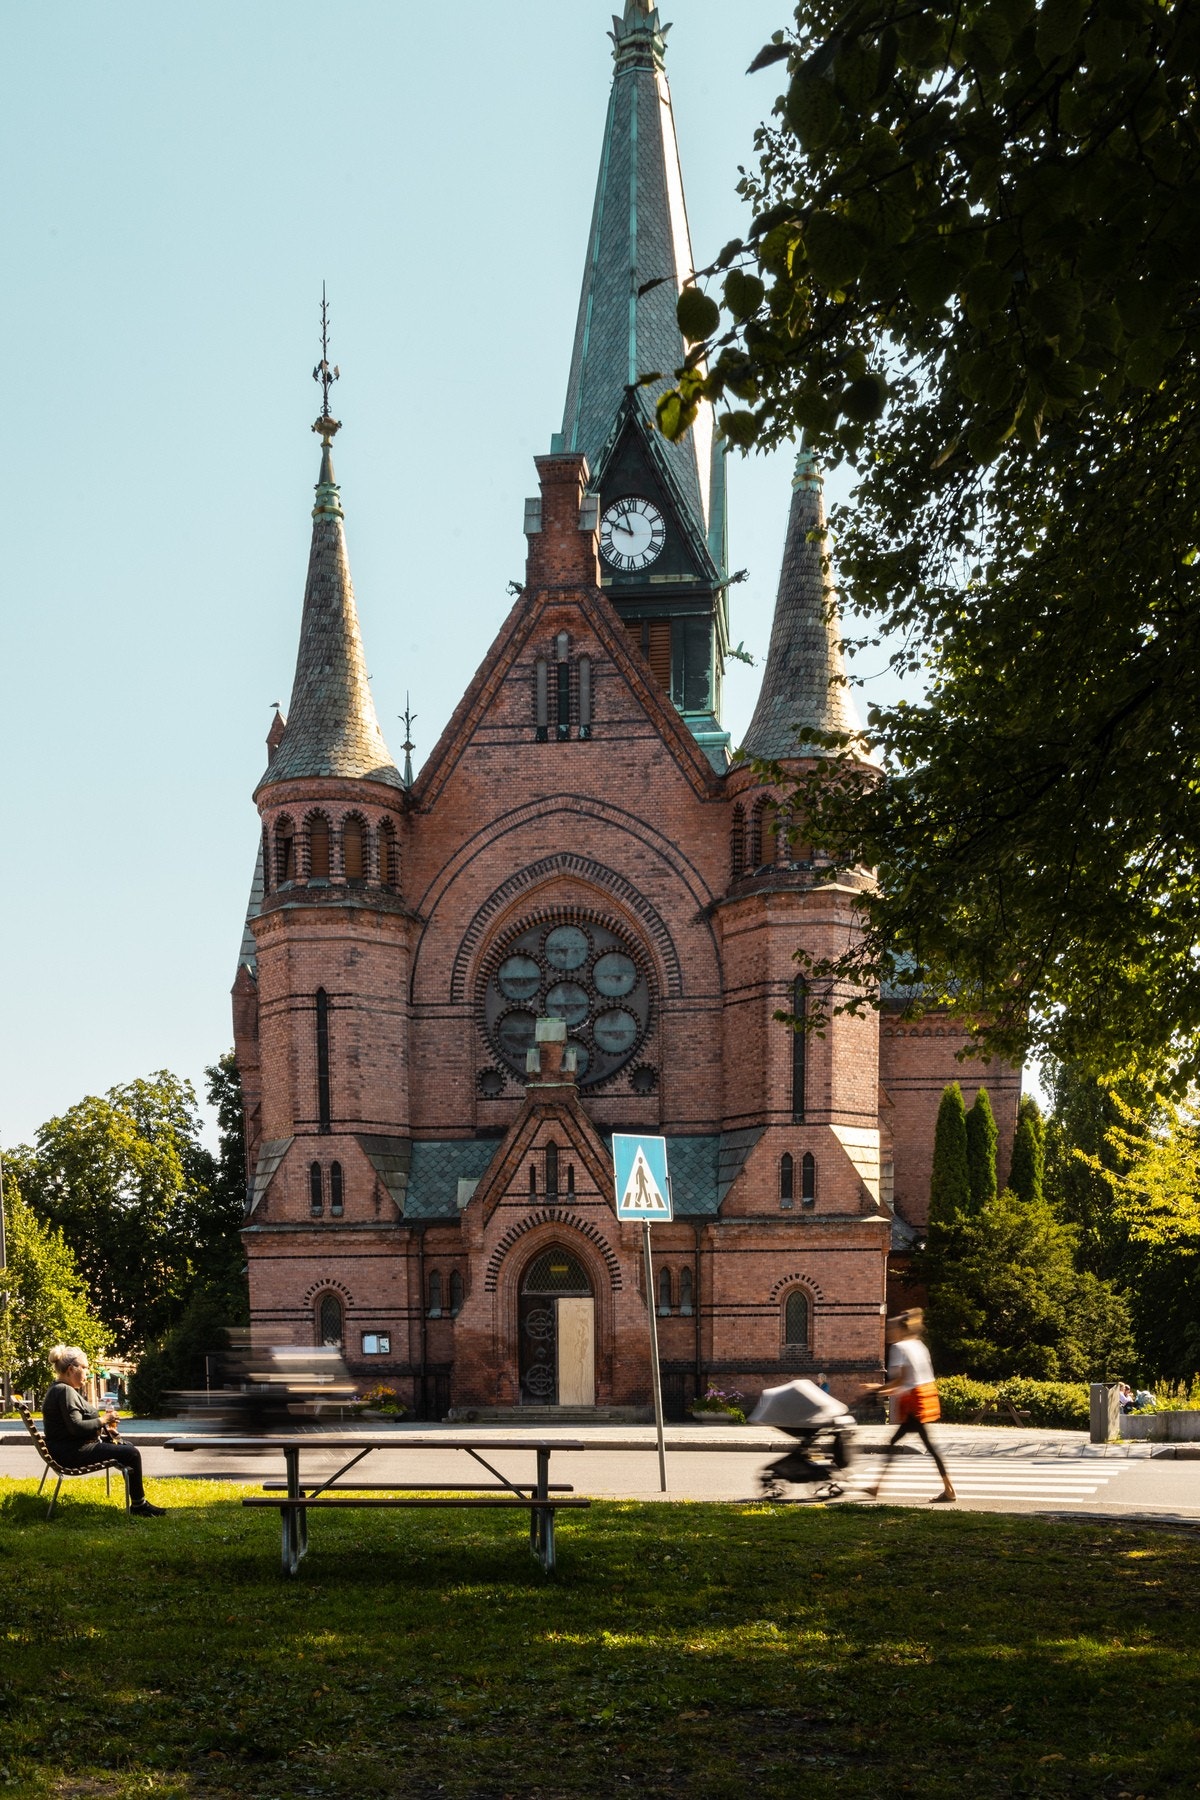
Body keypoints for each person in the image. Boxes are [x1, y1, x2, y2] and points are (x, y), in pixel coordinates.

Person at [42, 1345, 165, 1517]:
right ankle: (139, 1506)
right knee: (132, 1453)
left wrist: (103, 1430)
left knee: (126, 1447)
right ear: (71, 1369)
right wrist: (103, 1420)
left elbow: (70, 1427)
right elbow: (76, 1427)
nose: (87, 1372)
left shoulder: (59, 1389)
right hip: (73, 1452)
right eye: (84, 1368)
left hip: (67, 1449)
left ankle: (139, 1503)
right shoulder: (65, 1391)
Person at [863, 1310, 956, 1504]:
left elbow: (901, 1381)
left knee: (906, 1444)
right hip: (925, 1397)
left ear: (900, 1329)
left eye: (891, 1328)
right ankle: (876, 1486)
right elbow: (919, 1378)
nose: (889, 1331)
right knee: (922, 1445)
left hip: (913, 1403)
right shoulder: (919, 1345)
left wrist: (878, 1389)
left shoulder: (899, 1348)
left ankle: (949, 1491)